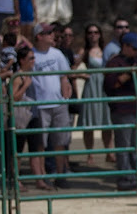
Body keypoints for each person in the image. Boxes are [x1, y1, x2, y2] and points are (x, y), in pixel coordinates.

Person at [31, 22, 72, 188]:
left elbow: (64, 77)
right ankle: (42, 177)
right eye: (47, 33)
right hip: (40, 105)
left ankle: (61, 174)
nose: (51, 35)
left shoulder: (57, 54)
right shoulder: (31, 55)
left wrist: (65, 97)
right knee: (40, 143)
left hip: (58, 103)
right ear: (39, 36)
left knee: (60, 141)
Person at [102, 33, 137, 191]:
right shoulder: (114, 63)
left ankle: (135, 176)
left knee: (135, 146)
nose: (136, 52)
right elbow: (110, 85)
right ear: (125, 47)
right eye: (134, 49)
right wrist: (129, 74)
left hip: (136, 108)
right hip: (122, 109)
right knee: (124, 146)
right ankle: (125, 178)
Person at [12, 46, 51, 190]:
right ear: (22, 60)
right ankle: (17, 180)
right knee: (18, 152)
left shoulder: (31, 74)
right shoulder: (18, 77)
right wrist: (24, 86)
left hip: (33, 115)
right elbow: (13, 98)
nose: (34, 61)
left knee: (35, 149)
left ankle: (39, 180)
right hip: (22, 118)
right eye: (31, 58)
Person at [78, 23, 113, 166]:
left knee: (107, 121)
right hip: (91, 87)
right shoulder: (84, 51)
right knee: (89, 122)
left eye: (96, 32)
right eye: (90, 32)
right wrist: (82, 75)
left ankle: (109, 152)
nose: (93, 35)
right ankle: (90, 154)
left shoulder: (106, 50)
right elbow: (71, 69)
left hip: (104, 87)